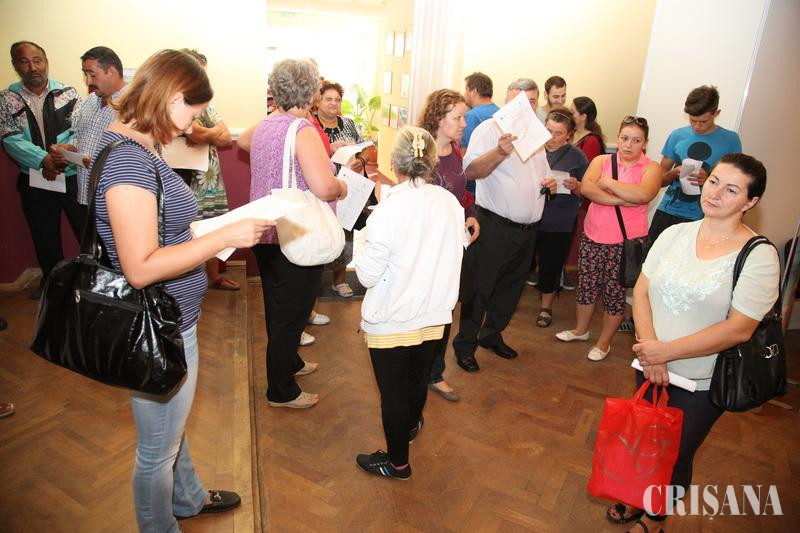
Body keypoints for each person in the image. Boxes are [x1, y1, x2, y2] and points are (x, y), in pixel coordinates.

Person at [94, 49, 270, 531]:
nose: (194, 125)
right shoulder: (130, 162)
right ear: (172, 98)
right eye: (193, 113)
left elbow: (155, 230)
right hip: (159, 324)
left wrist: (204, 230)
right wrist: (223, 237)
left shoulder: (136, 145)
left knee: (170, 427)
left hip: (172, 317)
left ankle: (188, 498)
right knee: (156, 450)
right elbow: (140, 268)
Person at [606, 153, 779, 532]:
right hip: (650, 363)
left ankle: (655, 518)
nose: (715, 193)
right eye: (713, 181)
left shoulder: (759, 256)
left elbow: (739, 329)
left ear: (750, 202)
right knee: (645, 439)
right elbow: (642, 289)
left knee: (676, 453)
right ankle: (639, 496)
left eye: (731, 190)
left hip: (701, 379)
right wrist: (650, 348)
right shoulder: (675, 234)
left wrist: (664, 353)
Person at [355, 126, 465, 479]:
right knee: (416, 382)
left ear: (394, 161)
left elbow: (367, 277)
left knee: (393, 393)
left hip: (393, 316)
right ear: (432, 161)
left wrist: (363, 245)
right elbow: (455, 249)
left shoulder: (388, 210)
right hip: (434, 312)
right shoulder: (449, 202)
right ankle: (411, 425)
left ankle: (397, 462)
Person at [239, 59, 347, 409]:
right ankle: (280, 390)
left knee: (278, 307)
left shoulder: (268, 123)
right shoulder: (303, 130)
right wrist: (342, 186)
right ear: (312, 93)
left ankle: (290, 363)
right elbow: (324, 187)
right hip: (295, 232)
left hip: (266, 229)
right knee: (293, 314)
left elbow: (243, 141)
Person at [452, 78, 553, 372]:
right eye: (519, 101)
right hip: (494, 226)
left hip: (528, 230)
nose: (526, 107)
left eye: (531, 101)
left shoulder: (537, 134)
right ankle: (465, 345)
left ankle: (491, 335)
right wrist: (499, 151)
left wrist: (550, 183)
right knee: (480, 289)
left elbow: (544, 173)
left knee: (511, 289)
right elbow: (471, 171)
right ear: (507, 101)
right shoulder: (489, 129)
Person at [556, 117, 661, 361]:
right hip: (593, 235)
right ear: (618, 138)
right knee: (586, 287)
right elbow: (587, 189)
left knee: (614, 294)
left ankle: (604, 343)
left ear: (645, 143)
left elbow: (644, 194)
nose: (628, 145)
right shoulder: (601, 161)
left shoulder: (651, 168)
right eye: (624, 138)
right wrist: (622, 198)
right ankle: (581, 330)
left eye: (636, 140)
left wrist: (608, 183)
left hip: (625, 242)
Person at [0, 41, 82, 299]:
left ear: (46, 62)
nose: (32, 67)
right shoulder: (6, 99)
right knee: (44, 235)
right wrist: (43, 160)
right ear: (15, 65)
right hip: (34, 178)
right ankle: (52, 283)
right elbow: (9, 138)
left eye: (37, 60)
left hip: (71, 177)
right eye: (24, 61)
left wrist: (61, 159)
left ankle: (91, 281)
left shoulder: (68, 93)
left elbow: (79, 131)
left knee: (85, 231)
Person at [417, 88, 481, 402]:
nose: (463, 124)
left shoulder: (455, 149)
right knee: (423, 308)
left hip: (453, 243)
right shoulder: (419, 152)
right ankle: (416, 369)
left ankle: (434, 372)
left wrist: (471, 214)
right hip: (425, 246)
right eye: (458, 118)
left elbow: (462, 192)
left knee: (446, 307)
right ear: (439, 119)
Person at [178, 49, 240, 292]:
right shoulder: (173, 103)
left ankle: (213, 277)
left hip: (210, 181)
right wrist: (208, 133)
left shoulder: (206, 105)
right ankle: (188, 281)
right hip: (185, 180)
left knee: (213, 227)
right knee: (186, 229)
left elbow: (224, 138)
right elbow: (197, 133)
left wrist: (206, 134)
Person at [649, 85, 742, 243]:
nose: (697, 126)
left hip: (705, 216)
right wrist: (673, 174)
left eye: (703, 121)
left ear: (717, 113)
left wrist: (709, 180)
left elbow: (735, 185)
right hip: (669, 211)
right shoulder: (677, 135)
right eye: (693, 120)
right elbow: (658, 180)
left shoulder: (730, 140)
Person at [50, 46, 125, 208]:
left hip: (115, 200)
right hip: (85, 196)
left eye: (92, 75)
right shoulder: (90, 101)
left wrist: (101, 164)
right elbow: (79, 136)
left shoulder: (134, 106)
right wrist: (70, 149)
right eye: (85, 74)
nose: (88, 81)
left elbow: (142, 156)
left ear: (112, 71)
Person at [534, 108, 588, 327]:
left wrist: (577, 186)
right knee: (519, 264)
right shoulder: (534, 150)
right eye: (548, 131)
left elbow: (587, 191)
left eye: (558, 133)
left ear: (569, 134)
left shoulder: (577, 157)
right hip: (530, 217)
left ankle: (546, 307)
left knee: (551, 264)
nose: (552, 137)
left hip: (559, 221)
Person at [315, 79, 364, 298]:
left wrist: (361, 161)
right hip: (321, 186)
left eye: (337, 99)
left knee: (346, 232)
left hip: (349, 188)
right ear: (318, 101)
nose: (334, 103)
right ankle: (315, 279)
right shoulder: (311, 125)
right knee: (321, 232)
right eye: (328, 99)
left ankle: (340, 279)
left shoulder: (349, 124)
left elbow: (362, 148)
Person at [462, 72, 500, 196]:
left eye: (466, 89)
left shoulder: (471, 116)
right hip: (495, 183)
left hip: (475, 186)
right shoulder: (500, 112)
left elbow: (464, 153)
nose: (464, 93)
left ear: (474, 91)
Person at [571, 96, 606, 162]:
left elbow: (587, 166)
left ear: (583, 117)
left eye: (572, 112)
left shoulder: (592, 141)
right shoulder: (571, 133)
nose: (569, 114)